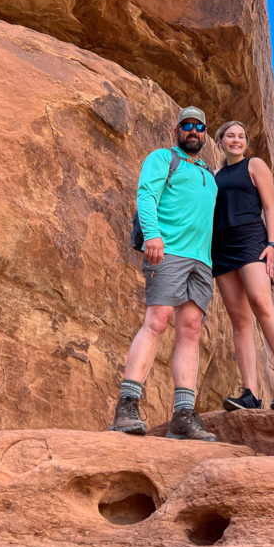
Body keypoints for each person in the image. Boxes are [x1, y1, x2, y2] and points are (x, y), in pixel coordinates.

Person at [110, 106, 219, 441]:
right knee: (157, 321)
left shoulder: (209, 175)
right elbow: (146, 195)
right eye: (187, 125)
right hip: (168, 250)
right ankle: (127, 406)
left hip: (201, 262)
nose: (193, 131)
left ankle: (183, 416)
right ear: (177, 131)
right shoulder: (162, 158)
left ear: (204, 134)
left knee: (190, 330)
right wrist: (153, 234)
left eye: (199, 126)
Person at [212, 120, 274, 412]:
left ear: (245, 142)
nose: (236, 140)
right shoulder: (215, 174)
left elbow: (269, 207)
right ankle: (249, 392)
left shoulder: (255, 165)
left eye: (240, 136)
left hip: (251, 240)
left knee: (262, 304)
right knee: (239, 320)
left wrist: (272, 244)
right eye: (230, 136)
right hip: (222, 247)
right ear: (221, 141)